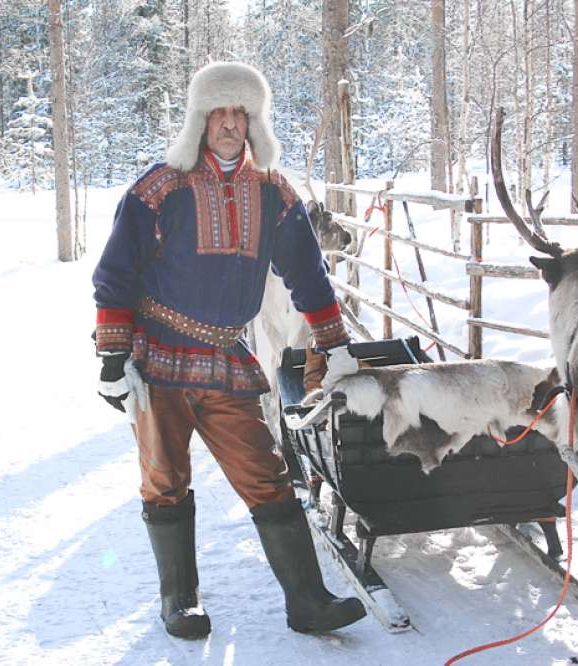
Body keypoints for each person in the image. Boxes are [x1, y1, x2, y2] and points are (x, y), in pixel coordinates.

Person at [91, 61, 365, 639]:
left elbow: (308, 275)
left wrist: (334, 344)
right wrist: (113, 359)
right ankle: (180, 601)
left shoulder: (273, 190)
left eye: (242, 113)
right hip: (158, 355)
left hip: (224, 356)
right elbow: (115, 274)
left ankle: (308, 602)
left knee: (266, 472)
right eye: (220, 112)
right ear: (200, 119)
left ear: (255, 122)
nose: (230, 124)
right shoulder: (158, 187)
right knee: (164, 478)